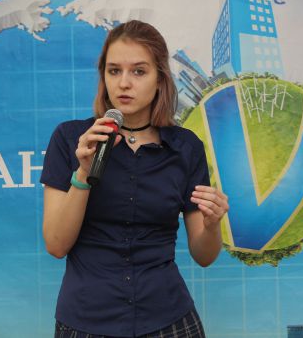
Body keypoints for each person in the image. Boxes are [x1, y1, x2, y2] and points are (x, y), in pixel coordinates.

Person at [40, 20, 229, 338]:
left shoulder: (186, 147)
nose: (124, 83)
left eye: (139, 71)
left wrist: (212, 226)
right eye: (114, 71)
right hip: (86, 322)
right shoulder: (71, 139)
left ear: (160, 79)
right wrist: (83, 172)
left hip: (169, 322)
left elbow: (204, 256)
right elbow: (56, 245)